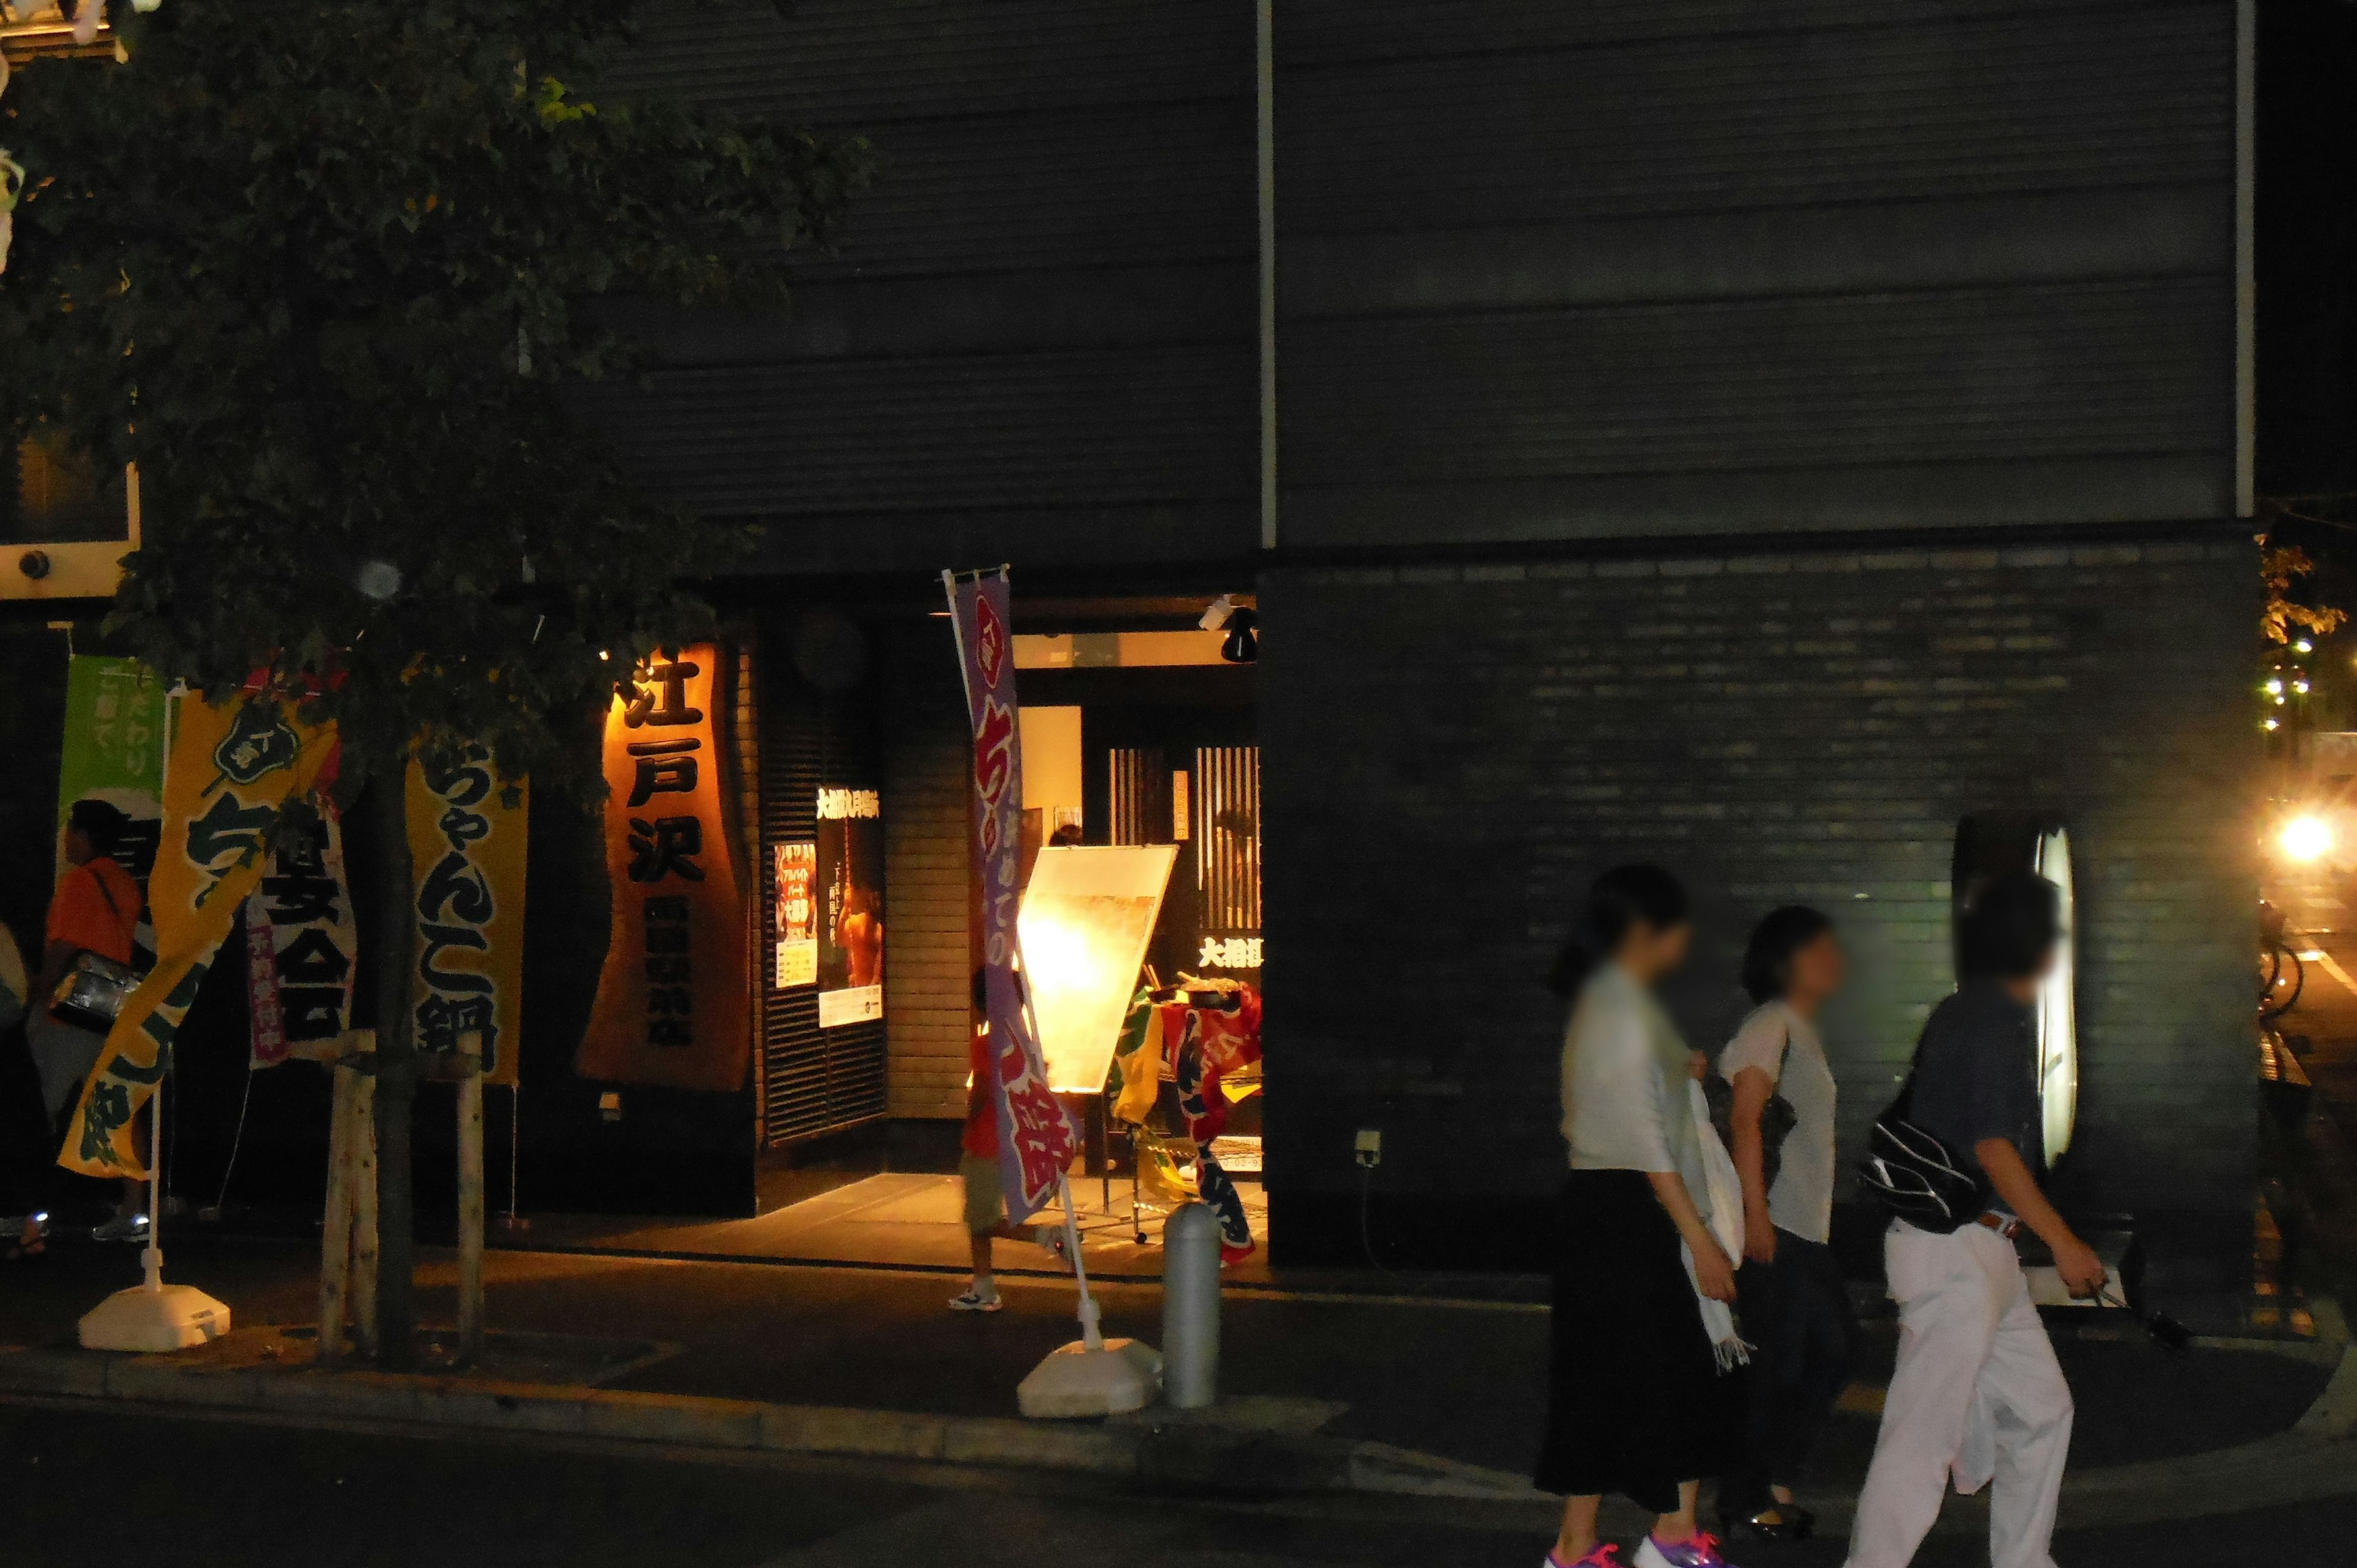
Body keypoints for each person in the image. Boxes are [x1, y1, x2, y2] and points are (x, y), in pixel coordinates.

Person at [1844, 871, 2107, 1568]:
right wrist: (2068, 1244)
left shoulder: (1971, 1011)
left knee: (2042, 1408)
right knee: (1921, 1437)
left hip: (1980, 1252)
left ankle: (2024, 1560)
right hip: (1955, 1253)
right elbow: (1993, 1148)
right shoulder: (1989, 1019)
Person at [1538, 865, 1747, 1568]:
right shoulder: (1621, 1007)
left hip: (1602, 1213)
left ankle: (1577, 1548)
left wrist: (1677, 1067)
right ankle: (1672, 1540)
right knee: (1675, 1375)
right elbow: (1646, 1140)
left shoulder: (1610, 1001)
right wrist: (1702, 1240)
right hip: (1630, 1211)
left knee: (1600, 1381)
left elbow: (1632, 1104)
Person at [1719, 906, 1857, 1542]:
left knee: (1828, 1352)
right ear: (1788, 958)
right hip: (1778, 1222)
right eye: (1821, 948)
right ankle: (1750, 1494)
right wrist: (1756, 1216)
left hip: (1805, 1224)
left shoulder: (1798, 1027)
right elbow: (1745, 1117)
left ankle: (1770, 1479)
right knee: (1783, 1361)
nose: (1834, 959)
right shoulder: (1770, 1024)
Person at [29, 800, 147, 1243]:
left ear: (82, 835)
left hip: (71, 1008)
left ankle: (29, 1209)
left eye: (69, 830)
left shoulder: (78, 881)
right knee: (119, 1107)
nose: (64, 838)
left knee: (38, 1106)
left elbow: (62, 948)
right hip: (115, 1004)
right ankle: (135, 1209)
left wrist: (39, 993)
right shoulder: (125, 883)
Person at [949, 968, 1064, 1311]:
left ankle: (1048, 1238)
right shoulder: (1023, 1045)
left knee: (982, 1219)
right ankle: (982, 1286)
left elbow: (981, 1091)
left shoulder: (988, 1045)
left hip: (986, 1142)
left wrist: (967, 1124)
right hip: (1015, 1140)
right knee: (978, 1216)